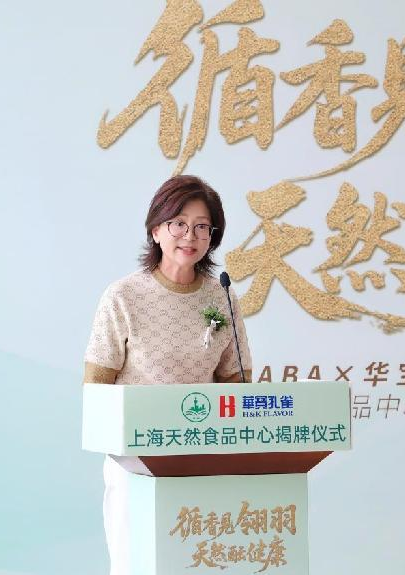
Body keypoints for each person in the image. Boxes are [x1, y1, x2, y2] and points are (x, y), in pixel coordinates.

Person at [83, 174, 252, 575]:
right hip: (136, 462)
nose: (190, 236)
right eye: (179, 223)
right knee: (138, 562)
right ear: (156, 229)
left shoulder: (221, 296)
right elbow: (97, 388)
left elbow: (237, 382)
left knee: (197, 562)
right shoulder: (123, 296)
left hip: (202, 455)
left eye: (202, 227)